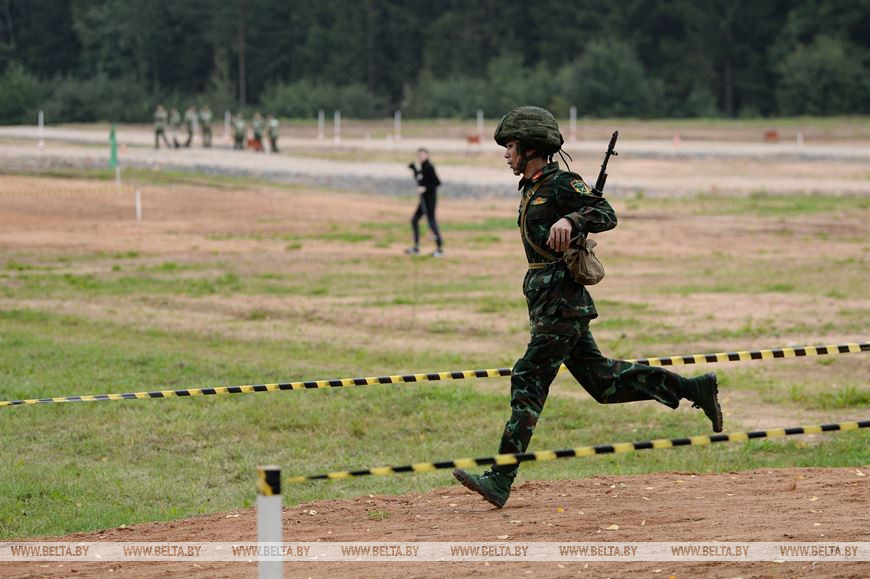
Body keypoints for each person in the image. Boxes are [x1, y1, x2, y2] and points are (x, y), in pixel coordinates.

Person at [452, 106, 722, 508]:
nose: (506, 154)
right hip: (550, 303)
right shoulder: (531, 187)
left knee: (528, 377)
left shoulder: (561, 183)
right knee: (603, 384)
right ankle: (689, 388)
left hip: (563, 304)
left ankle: (501, 477)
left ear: (531, 148)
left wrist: (574, 221)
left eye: (510, 146)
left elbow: (605, 213)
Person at [405, 148, 444, 257]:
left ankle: (439, 250)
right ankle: (416, 247)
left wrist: (425, 188)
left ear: (427, 155)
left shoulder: (429, 167)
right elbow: (420, 179)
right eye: (419, 155)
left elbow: (437, 183)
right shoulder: (422, 168)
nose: (421, 157)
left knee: (432, 223)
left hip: (430, 201)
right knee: (414, 220)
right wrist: (414, 169)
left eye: (423, 155)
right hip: (423, 201)